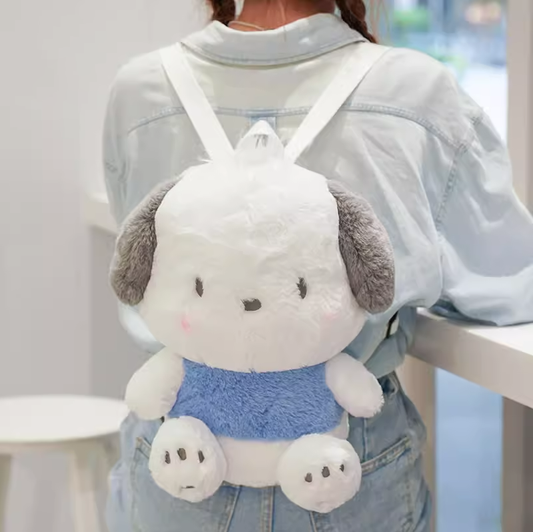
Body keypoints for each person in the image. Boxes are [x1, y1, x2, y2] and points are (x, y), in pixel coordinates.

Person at [103, 1, 533, 531]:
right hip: (344, 457)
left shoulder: (141, 91)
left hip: (180, 451)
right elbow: (511, 281)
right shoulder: (414, 93)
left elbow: (138, 269)